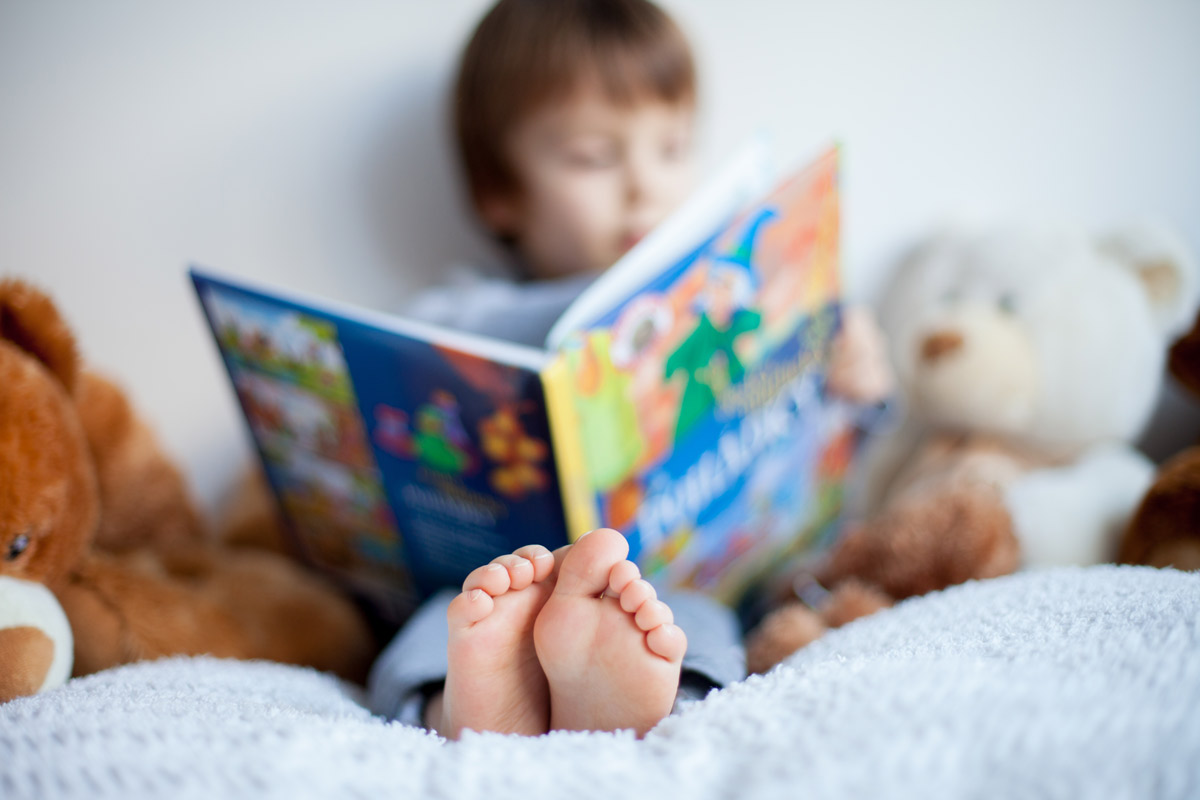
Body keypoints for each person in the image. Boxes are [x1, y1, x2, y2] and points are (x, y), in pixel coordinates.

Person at [367, 0, 890, 740]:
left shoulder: (729, 299)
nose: (644, 184)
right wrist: (583, 313)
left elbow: (822, 472)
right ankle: (461, 706)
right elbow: (432, 333)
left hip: (676, 574)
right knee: (447, 621)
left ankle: (642, 698)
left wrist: (855, 387)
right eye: (594, 157)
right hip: (497, 574)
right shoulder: (467, 308)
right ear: (500, 193)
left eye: (672, 147)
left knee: (686, 621)